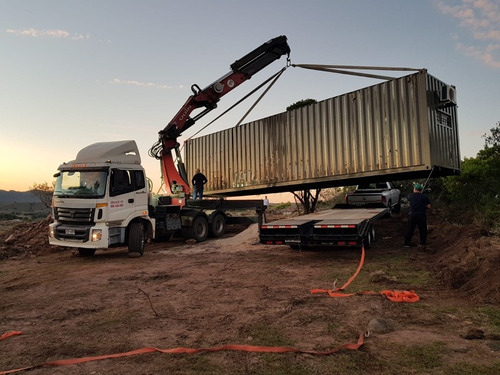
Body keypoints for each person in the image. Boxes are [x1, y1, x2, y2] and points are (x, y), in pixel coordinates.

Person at [404, 183, 431, 249]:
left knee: (410, 229)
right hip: (421, 215)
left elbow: (408, 201)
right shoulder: (425, 197)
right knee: (423, 230)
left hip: (412, 215)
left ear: (415, 189)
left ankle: (407, 243)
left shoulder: (410, 195)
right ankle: (422, 243)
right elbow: (429, 206)